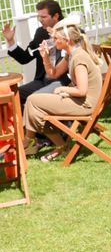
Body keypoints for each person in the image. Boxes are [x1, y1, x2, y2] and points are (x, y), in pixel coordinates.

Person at [24, 20, 103, 162]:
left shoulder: (78, 57)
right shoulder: (71, 54)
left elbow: (82, 90)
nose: (52, 41)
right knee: (34, 105)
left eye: (55, 38)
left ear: (66, 40)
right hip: (80, 100)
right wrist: (45, 57)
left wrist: (62, 88)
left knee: (32, 101)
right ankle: (42, 143)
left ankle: (32, 142)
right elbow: (53, 74)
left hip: (85, 104)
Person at [2, 0, 68, 106]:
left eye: (43, 17)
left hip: (62, 82)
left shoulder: (69, 32)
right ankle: (18, 122)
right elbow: (25, 58)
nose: (40, 20)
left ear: (55, 16)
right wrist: (10, 41)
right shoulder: (40, 32)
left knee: (32, 100)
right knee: (10, 95)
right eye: (39, 17)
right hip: (41, 81)